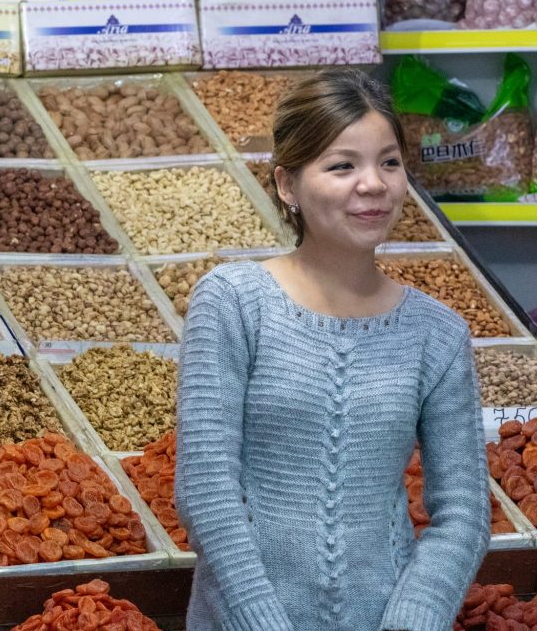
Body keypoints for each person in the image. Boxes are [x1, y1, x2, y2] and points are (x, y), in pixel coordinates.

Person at [174, 69, 489, 631]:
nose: (373, 184)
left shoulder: (438, 333)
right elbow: (207, 491)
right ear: (287, 185)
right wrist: (261, 621)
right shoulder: (234, 303)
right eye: (342, 165)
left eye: (389, 163)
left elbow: (463, 514)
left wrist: (412, 621)